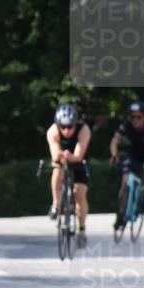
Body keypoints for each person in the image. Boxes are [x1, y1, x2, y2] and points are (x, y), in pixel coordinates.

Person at [110, 101, 144, 229]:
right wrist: (114, 155)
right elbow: (115, 141)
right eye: (132, 117)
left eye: (139, 117)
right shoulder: (126, 125)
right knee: (124, 182)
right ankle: (120, 214)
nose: (135, 120)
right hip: (133, 155)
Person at [46, 104, 91, 247]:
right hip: (62, 160)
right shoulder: (52, 131)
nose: (66, 130)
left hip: (79, 161)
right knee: (57, 169)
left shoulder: (84, 130)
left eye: (70, 126)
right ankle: (56, 202)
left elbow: (78, 156)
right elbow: (54, 154)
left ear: (75, 123)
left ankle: (81, 228)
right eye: (63, 127)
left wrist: (69, 155)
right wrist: (61, 156)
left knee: (80, 194)